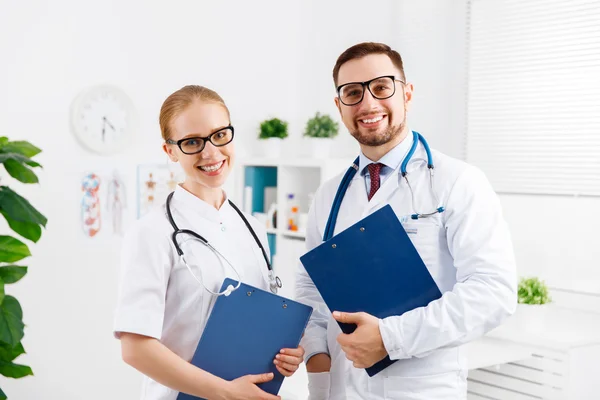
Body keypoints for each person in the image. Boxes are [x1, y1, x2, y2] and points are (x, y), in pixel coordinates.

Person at [296, 42, 517, 399]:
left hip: (421, 389)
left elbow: (494, 293)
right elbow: (310, 289)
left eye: (381, 87)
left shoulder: (457, 181)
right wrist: (317, 366)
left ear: (406, 93)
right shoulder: (328, 195)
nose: (368, 104)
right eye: (352, 93)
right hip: (340, 389)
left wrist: (390, 337)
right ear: (339, 106)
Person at [114, 85, 304, 400]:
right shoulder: (151, 232)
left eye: (219, 135)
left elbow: (257, 321)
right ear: (170, 151)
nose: (211, 152)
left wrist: (287, 354)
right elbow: (135, 349)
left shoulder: (253, 228)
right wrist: (226, 393)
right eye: (192, 142)